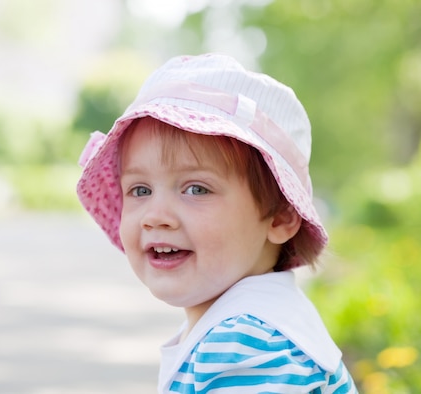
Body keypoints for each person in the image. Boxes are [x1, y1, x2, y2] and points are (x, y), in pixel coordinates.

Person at [77, 53, 358, 393]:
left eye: (196, 188)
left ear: (281, 216)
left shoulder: (246, 343)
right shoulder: (253, 324)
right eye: (140, 189)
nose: (155, 215)